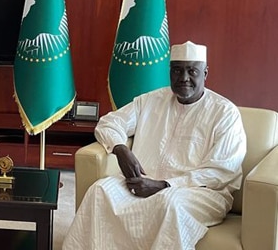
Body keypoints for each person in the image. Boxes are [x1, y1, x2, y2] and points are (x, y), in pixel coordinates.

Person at [63, 41, 247, 250]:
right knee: (100, 190)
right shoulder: (151, 101)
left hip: (201, 193)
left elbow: (221, 171)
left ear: (205, 73)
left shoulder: (224, 113)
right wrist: (120, 148)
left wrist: (164, 185)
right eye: (177, 70)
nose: (184, 78)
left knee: (169, 204)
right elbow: (109, 122)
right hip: (144, 181)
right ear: (169, 72)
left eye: (192, 71)